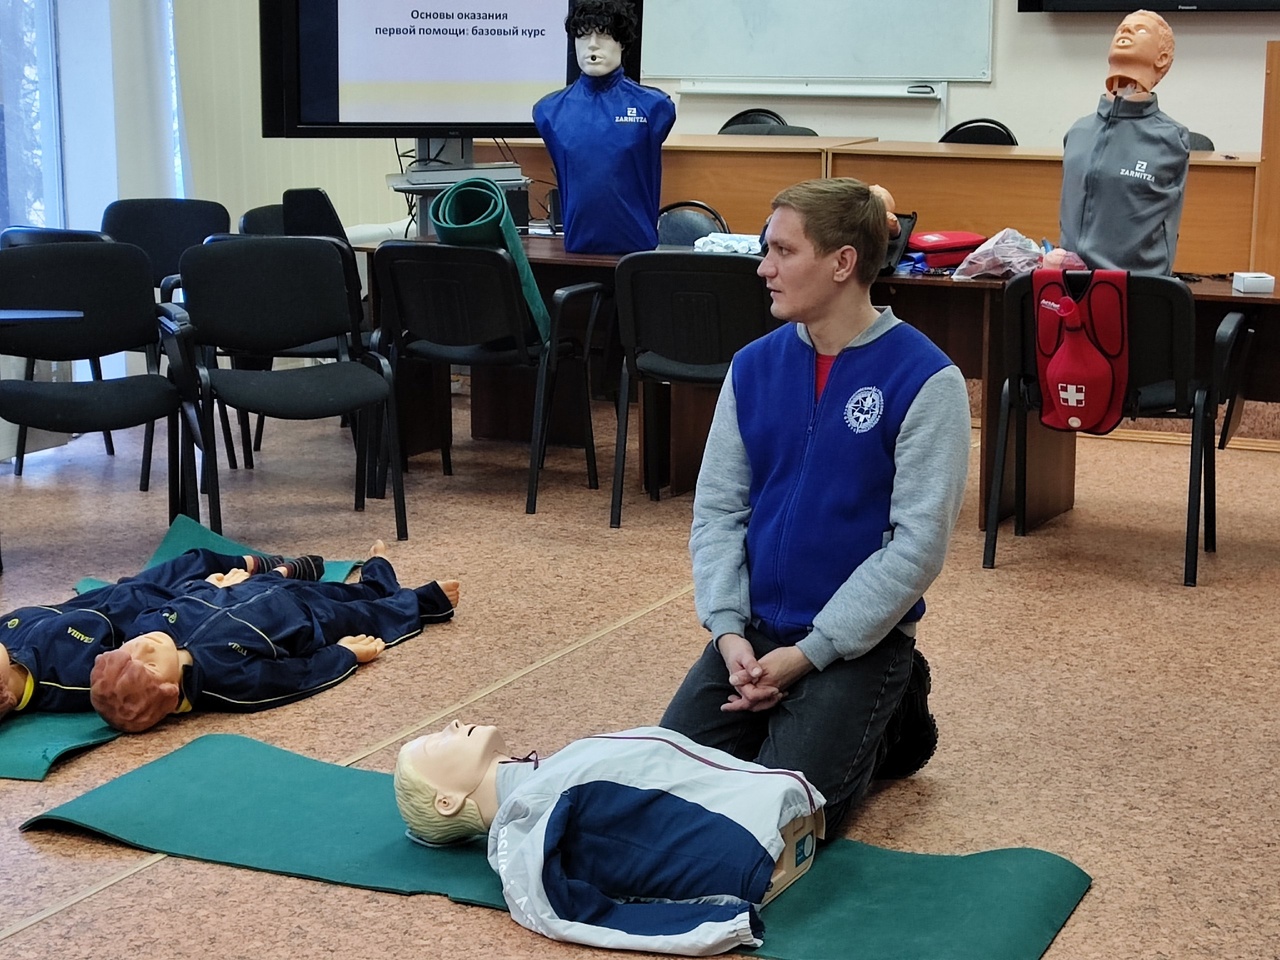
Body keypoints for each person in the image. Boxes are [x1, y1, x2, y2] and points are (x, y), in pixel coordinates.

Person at [658, 177, 971, 839]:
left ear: (842, 262)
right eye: (766, 249)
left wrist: (810, 654)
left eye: (782, 250)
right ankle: (826, 711)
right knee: (664, 786)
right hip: (752, 635)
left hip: (856, 643)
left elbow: (916, 547)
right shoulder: (752, 367)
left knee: (778, 820)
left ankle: (896, 714)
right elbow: (718, 511)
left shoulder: (926, 379)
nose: (763, 268)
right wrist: (728, 632)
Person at [393, 720, 824, 955]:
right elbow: (561, 912)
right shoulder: (526, 818)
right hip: (751, 842)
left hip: (769, 802)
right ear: (447, 802)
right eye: (436, 742)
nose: (452, 724)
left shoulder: (541, 783)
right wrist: (713, 926)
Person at [88, 551, 460, 733]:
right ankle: (426, 602)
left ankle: (375, 572)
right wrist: (343, 654)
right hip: (308, 623)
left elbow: (180, 599)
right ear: (171, 692)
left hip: (261, 590)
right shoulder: (228, 681)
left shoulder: (149, 624)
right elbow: (296, 677)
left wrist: (213, 584)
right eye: (150, 663)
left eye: (130, 648)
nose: (145, 645)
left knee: (349, 590)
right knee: (368, 612)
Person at [0, 549, 324, 722]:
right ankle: (278, 575)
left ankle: (254, 563)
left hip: (122, 591)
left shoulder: (6, 636)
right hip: (161, 606)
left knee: (196, 558)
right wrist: (206, 590)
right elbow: (143, 644)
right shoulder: (67, 683)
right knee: (224, 584)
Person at [533, 0, 675, 254]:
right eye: (583, 35)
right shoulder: (549, 110)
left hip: (636, 248)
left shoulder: (654, 106)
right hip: (577, 249)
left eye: (604, 35)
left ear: (622, 43)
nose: (592, 44)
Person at [1058, 9, 1189, 275]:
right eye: (1121, 28)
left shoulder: (1171, 139)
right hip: (1071, 284)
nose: (1126, 31)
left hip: (1137, 288)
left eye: (1141, 30)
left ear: (1162, 58)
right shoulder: (1078, 131)